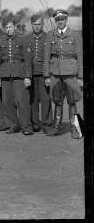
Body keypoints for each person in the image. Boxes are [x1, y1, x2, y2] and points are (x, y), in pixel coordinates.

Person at [44, 9, 84, 139]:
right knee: (57, 100)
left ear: (66, 20)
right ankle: (57, 127)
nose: (60, 22)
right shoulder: (51, 35)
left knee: (72, 101)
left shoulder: (75, 34)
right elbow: (46, 56)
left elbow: (80, 55)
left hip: (71, 72)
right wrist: (46, 75)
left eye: (62, 19)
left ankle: (73, 128)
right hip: (55, 72)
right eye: (57, 20)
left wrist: (80, 76)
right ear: (55, 21)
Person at [0, 18, 33, 135]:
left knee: (22, 101)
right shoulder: (0, 41)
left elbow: (27, 60)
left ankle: (26, 126)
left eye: (10, 27)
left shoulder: (22, 40)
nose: (8, 30)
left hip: (19, 74)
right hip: (5, 74)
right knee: (7, 101)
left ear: (15, 27)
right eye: (6, 28)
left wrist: (28, 76)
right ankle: (12, 125)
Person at [24, 14, 51, 133]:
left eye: (39, 24)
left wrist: (48, 75)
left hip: (44, 74)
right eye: (34, 24)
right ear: (31, 25)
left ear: (43, 24)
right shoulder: (27, 39)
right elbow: (26, 60)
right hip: (32, 74)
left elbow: (50, 58)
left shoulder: (48, 37)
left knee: (45, 100)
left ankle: (47, 125)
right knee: (33, 101)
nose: (36, 26)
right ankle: (35, 124)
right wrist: (27, 76)